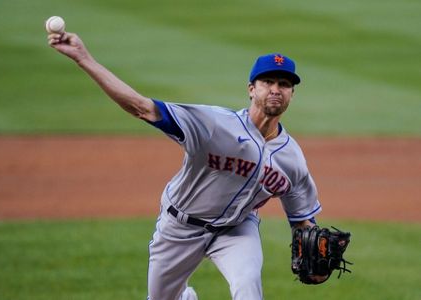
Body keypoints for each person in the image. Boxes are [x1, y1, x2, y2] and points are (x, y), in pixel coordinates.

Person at [48, 31, 325, 300]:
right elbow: (142, 107)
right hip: (179, 227)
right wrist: (84, 59)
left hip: (237, 229)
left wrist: (315, 251)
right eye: (268, 82)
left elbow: (301, 219)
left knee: (247, 285)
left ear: (292, 94)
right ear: (251, 89)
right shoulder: (215, 125)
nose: (276, 89)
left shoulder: (292, 159)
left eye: (284, 84)